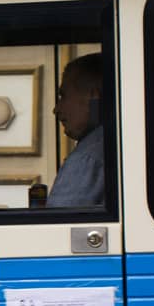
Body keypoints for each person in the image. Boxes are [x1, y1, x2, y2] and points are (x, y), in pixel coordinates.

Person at [46, 52, 106, 208]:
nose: (56, 109)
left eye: (63, 96)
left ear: (93, 96)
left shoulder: (88, 158)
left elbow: (58, 224)